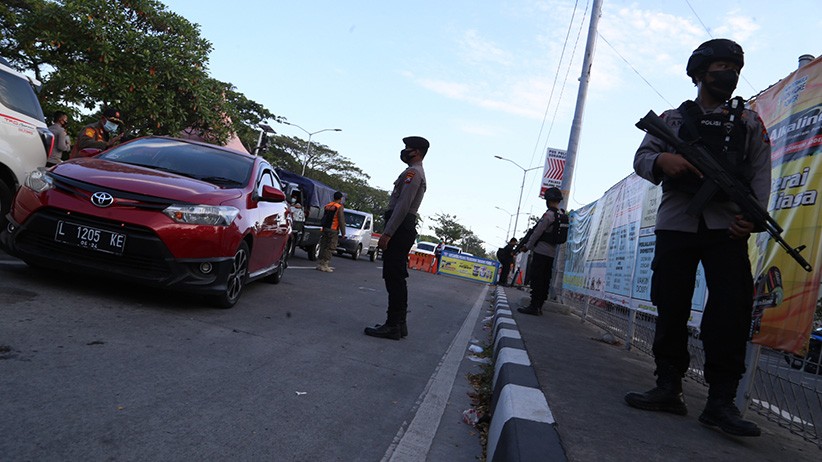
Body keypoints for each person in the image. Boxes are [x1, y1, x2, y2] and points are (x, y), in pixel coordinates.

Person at [625, 39, 771, 438]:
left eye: (735, 69)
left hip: (727, 228)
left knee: (731, 311)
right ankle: (668, 385)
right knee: (670, 304)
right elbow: (641, 158)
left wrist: (752, 219)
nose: (729, 75)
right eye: (721, 66)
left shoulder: (749, 123)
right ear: (699, 73)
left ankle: (721, 402)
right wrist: (661, 161)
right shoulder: (672, 120)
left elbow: (760, 176)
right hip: (676, 223)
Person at [364, 136, 429, 340]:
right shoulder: (415, 172)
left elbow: (402, 205)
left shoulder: (413, 173)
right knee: (396, 276)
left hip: (400, 227)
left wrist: (388, 233)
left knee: (394, 277)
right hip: (403, 227)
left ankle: (393, 324)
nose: (404, 152)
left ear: (416, 152)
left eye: (407, 149)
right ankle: (399, 324)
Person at [516, 187, 564, 315]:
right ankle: (539, 307)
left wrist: (527, 246)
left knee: (537, 280)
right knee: (545, 280)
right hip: (552, 254)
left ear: (548, 200)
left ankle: (534, 306)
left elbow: (537, 233)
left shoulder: (548, 215)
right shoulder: (561, 215)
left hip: (541, 252)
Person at [316, 191, 346, 272]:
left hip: (325, 228)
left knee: (323, 245)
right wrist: (343, 232)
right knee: (330, 247)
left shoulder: (328, 205)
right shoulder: (339, 207)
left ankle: (320, 263)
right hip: (333, 229)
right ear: (340, 199)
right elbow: (341, 220)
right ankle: (325, 265)